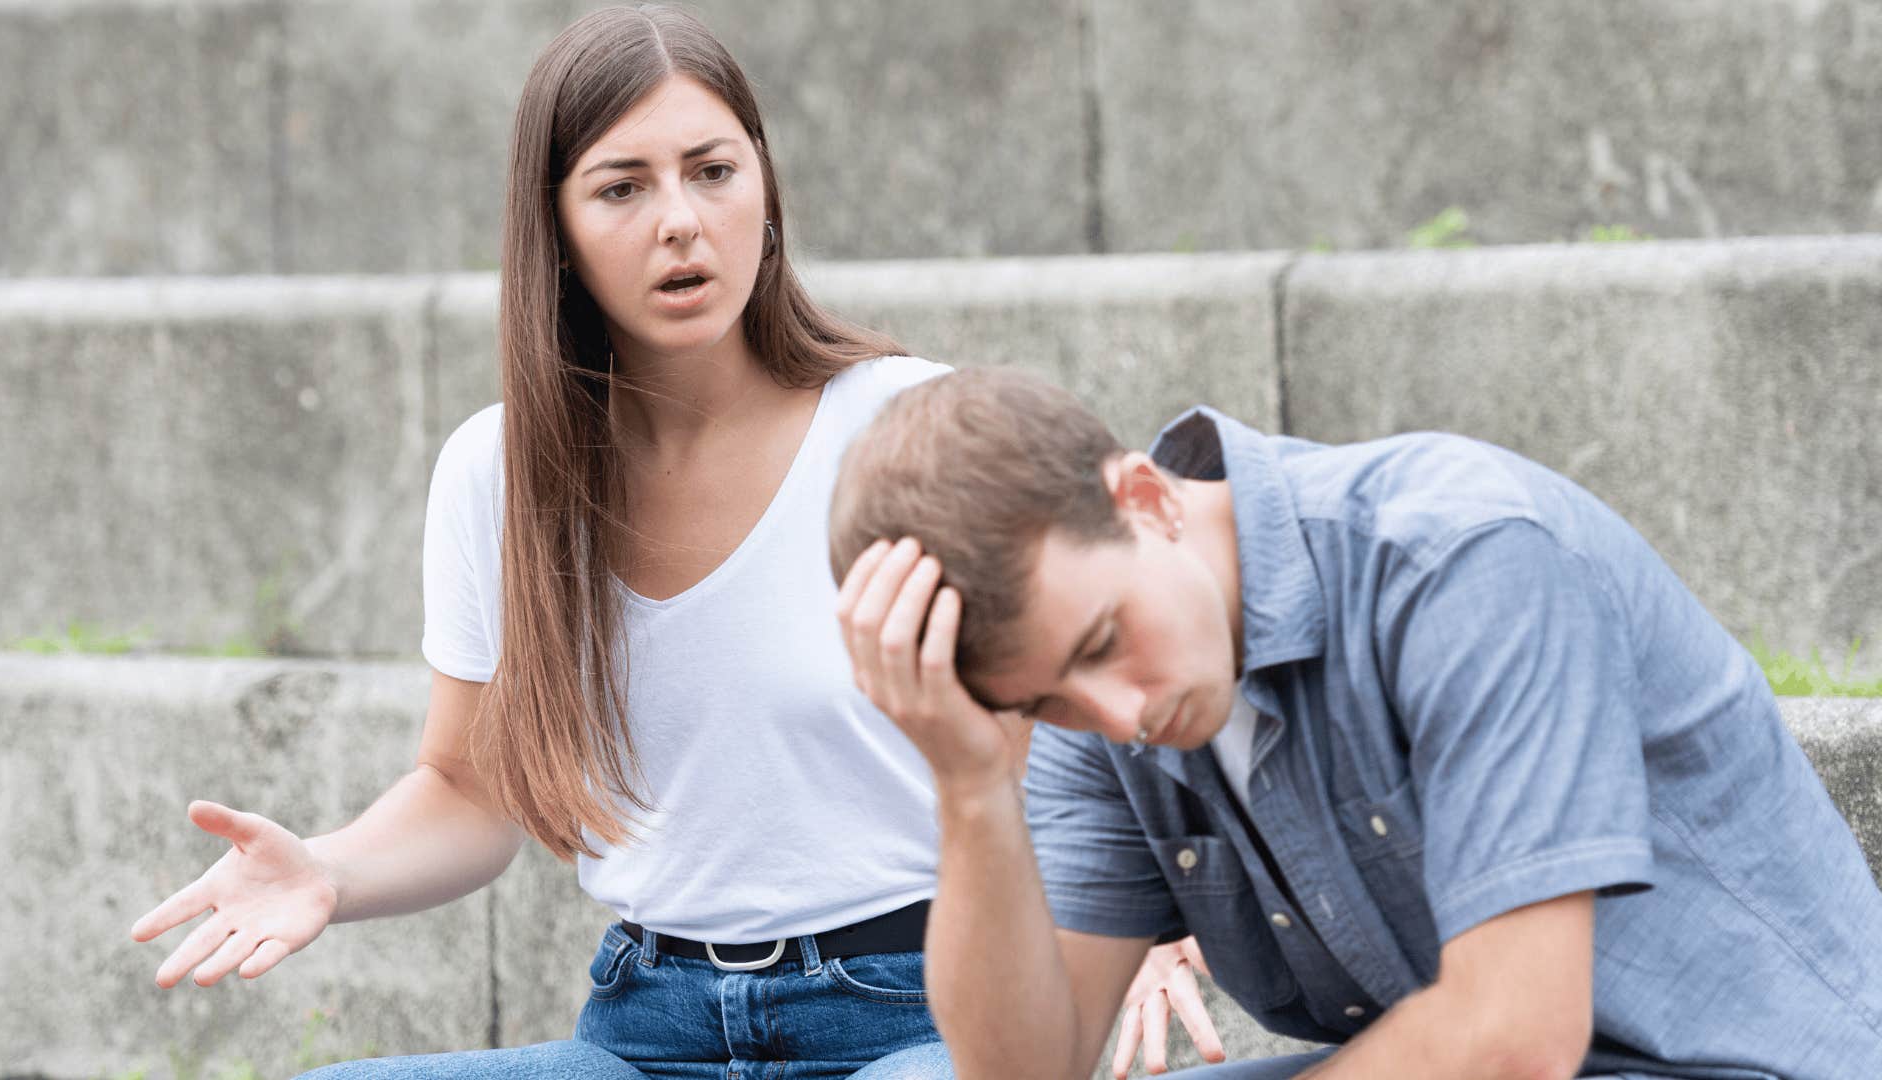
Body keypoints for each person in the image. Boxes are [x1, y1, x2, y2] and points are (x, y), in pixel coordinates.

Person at [128, 8, 1213, 1078]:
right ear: (555, 233)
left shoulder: (906, 427)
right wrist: (327, 870)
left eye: (712, 171)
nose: (681, 221)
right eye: (622, 187)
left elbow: (1083, 695)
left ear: (766, 189)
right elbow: (467, 786)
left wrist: (1136, 918)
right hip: (646, 1027)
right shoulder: (496, 474)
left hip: (917, 1010)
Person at [829, 367, 1882, 1079]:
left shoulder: (1460, 560)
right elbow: (1026, 1068)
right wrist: (972, 787)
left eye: (1104, 642)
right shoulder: (1094, 701)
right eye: (1047, 701)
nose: (1120, 716)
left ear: (1147, 500)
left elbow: (1513, 1036)